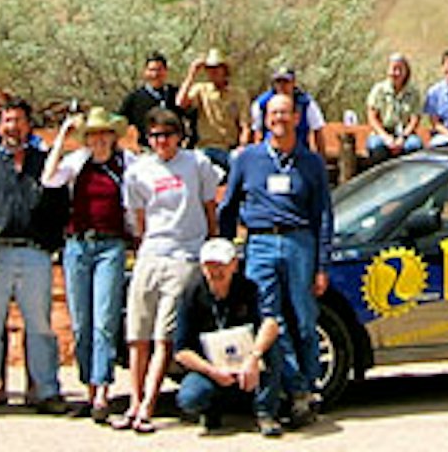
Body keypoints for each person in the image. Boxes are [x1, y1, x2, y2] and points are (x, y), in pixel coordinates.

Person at [219, 93, 333, 427]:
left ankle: (309, 391)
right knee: (270, 321)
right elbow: (227, 207)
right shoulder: (247, 158)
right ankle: (290, 392)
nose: (279, 119)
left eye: (286, 113)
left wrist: (321, 265)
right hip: (260, 243)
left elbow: (323, 214)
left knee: (304, 319)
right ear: (265, 119)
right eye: (273, 113)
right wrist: (228, 249)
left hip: (299, 241)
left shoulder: (311, 162)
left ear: (297, 118)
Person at [0, 96, 70, 419]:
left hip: (35, 254)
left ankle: (46, 391)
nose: (13, 127)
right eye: (8, 121)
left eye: (19, 120)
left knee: (40, 327)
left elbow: (60, 206)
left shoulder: (43, 162)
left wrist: (53, 244)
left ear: (28, 125)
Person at [113, 107, 219, 433]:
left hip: (184, 255)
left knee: (164, 335)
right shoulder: (139, 171)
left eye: (168, 135)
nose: (162, 141)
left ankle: (149, 406)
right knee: (138, 334)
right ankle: (134, 401)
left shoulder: (197, 164)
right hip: (151, 254)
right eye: (156, 136)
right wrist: (144, 246)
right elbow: (139, 218)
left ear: (179, 137)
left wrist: (210, 244)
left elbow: (209, 206)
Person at [42, 106, 135, 423]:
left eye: (103, 134)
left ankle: (102, 391)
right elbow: (49, 179)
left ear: (112, 136)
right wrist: (61, 139)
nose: (99, 140)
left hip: (111, 245)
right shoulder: (77, 162)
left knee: (104, 320)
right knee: (81, 322)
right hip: (78, 246)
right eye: (93, 135)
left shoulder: (125, 163)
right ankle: (87, 383)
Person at [173, 237, 283, 437]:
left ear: (234, 264)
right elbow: (181, 351)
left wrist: (254, 357)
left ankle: (265, 412)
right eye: (209, 266)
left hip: (247, 361)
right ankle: (211, 411)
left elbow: (271, 323)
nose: (215, 272)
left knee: (273, 348)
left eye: (221, 265)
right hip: (213, 366)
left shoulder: (249, 288)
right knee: (190, 397)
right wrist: (213, 371)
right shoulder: (190, 294)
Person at [178, 48, 247, 174]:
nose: (213, 72)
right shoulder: (200, 89)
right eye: (209, 68)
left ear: (224, 69)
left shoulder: (238, 94)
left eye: (217, 67)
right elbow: (180, 103)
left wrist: (242, 147)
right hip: (204, 148)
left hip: (229, 149)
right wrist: (192, 73)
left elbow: (245, 125)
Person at [251, 67, 327, 155]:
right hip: (270, 153)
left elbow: (318, 132)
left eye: (286, 82)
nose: (282, 86)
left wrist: (321, 160)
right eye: (278, 82)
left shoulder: (307, 103)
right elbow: (258, 134)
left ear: (293, 83)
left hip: (300, 153)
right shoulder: (261, 104)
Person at [119, 52, 188, 149]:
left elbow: (191, 115)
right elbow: (120, 123)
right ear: (145, 72)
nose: (155, 74)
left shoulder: (176, 94)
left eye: (159, 70)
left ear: (166, 71)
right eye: (151, 70)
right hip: (146, 152)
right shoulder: (134, 98)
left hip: (175, 151)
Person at [365, 53, 423, 159]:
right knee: (376, 146)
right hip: (382, 132)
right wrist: (385, 137)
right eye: (394, 69)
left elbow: (415, 119)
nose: (397, 73)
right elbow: (372, 117)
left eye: (401, 69)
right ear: (388, 70)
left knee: (414, 146)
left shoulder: (413, 92)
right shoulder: (379, 90)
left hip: (405, 134)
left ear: (406, 72)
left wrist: (403, 137)